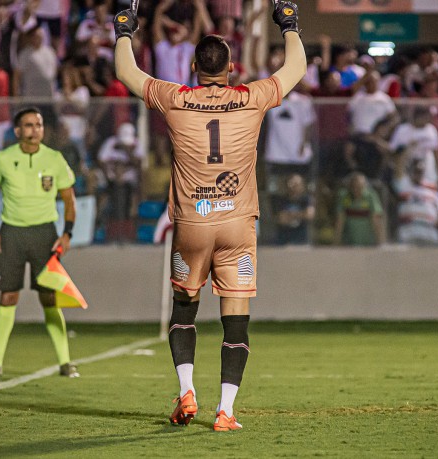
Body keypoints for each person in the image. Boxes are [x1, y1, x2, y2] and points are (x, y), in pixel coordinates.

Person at [113, 0, 305, 431]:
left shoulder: (176, 98)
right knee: (235, 320)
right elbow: (296, 68)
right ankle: (226, 411)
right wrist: (288, 23)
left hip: (191, 227)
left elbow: (126, 73)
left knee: (184, 309)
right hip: (237, 226)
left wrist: (125, 26)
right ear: (231, 67)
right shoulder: (251, 98)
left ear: (194, 67)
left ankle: (186, 391)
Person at [0, 107, 79, 378]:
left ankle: (65, 362)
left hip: (45, 235)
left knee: (49, 298)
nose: (34, 129)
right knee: (8, 296)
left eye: (38, 124)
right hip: (12, 234)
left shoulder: (55, 159)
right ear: (17, 131)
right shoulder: (3, 159)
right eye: (28, 125)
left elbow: (69, 200)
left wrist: (67, 233)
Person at [333, 172, 385, 246]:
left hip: (368, 244)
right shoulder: (344, 196)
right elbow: (340, 220)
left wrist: (380, 243)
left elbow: (376, 218)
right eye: (354, 187)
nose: (356, 190)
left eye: (360, 187)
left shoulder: (371, 196)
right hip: (349, 243)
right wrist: (336, 243)